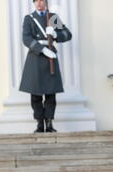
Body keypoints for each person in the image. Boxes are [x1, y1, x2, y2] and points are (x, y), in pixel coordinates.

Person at [19, 0, 72, 133]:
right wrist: (41, 49)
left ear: (45, 2)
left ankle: (49, 123)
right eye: (36, 1)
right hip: (36, 57)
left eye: (41, 0)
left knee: (50, 92)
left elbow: (67, 34)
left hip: (50, 58)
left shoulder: (52, 17)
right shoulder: (29, 18)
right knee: (35, 94)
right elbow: (26, 38)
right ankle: (39, 123)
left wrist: (55, 34)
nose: (39, 3)